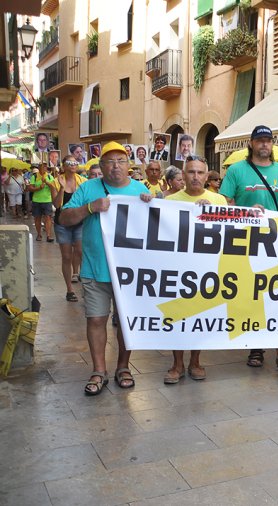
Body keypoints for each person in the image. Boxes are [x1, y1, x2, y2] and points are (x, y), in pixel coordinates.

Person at [59, 141, 153, 395]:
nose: (115, 166)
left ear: (129, 165)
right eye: (110, 162)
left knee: (125, 322)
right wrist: (90, 207)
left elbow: (160, 224)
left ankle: (123, 367)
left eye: (121, 161)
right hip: (94, 268)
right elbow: (64, 218)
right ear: (101, 166)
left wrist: (152, 205)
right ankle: (98, 371)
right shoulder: (88, 188)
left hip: (129, 273)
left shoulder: (140, 189)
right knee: (97, 319)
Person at [219, 125, 278, 371]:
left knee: (276, 292)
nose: (264, 144)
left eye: (268, 140)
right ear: (251, 144)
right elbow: (226, 202)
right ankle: (255, 346)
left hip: (273, 241)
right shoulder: (236, 171)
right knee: (252, 293)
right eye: (260, 140)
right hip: (244, 241)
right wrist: (246, 215)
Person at [162, 155, 227, 384]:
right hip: (179, 268)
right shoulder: (169, 201)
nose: (196, 177)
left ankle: (196, 362)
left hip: (207, 268)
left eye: (200, 173)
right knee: (178, 315)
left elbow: (231, 231)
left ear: (207, 176)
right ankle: (177, 364)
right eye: (191, 172)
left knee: (200, 316)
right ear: (183, 174)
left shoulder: (219, 200)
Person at [52, 156, 86, 302]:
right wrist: (61, 187)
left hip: (79, 221)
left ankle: (84, 283)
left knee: (80, 252)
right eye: (69, 163)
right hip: (62, 223)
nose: (73, 165)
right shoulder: (56, 181)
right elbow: (57, 204)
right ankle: (69, 290)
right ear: (64, 166)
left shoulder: (83, 181)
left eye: (75, 163)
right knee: (66, 256)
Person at [27, 162, 56, 242]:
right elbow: (30, 188)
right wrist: (39, 188)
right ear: (39, 168)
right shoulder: (34, 176)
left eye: (45, 167)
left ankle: (48, 235)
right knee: (37, 218)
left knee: (48, 217)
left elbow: (53, 187)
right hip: (36, 200)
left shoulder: (50, 176)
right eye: (43, 167)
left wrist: (46, 182)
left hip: (47, 200)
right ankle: (39, 234)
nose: (44, 168)